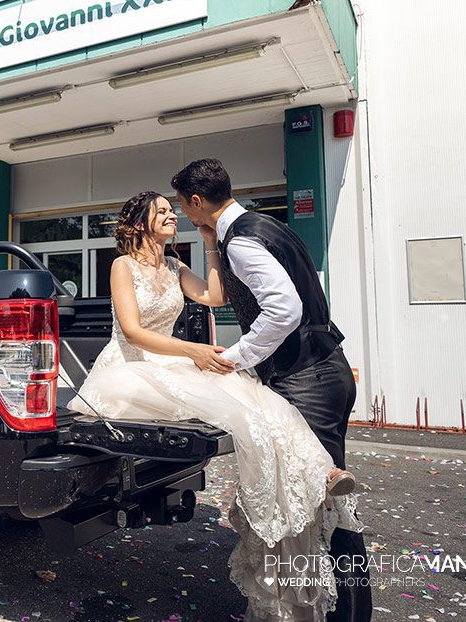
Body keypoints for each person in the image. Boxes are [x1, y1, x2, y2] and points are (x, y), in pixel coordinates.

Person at [67, 190, 359, 622]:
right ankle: (290, 495)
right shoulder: (121, 266)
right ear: (140, 222)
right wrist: (193, 352)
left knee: (259, 400)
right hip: (132, 368)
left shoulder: (174, 265)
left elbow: (213, 296)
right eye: (162, 211)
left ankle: (321, 471)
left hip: (177, 360)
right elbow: (131, 332)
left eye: (173, 209)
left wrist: (209, 243)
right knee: (241, 412)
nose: (171, 215)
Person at [171, 158, 372, 622]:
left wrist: (234, 358)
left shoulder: (242, 242)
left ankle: (347, 615)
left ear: (197, 201)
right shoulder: (262, 226)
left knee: (322, 507)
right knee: (323, 499)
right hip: (326, 369)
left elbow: (284, 310)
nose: (184, 213)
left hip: (308, 379)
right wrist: (210, 243)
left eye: (184, 205)